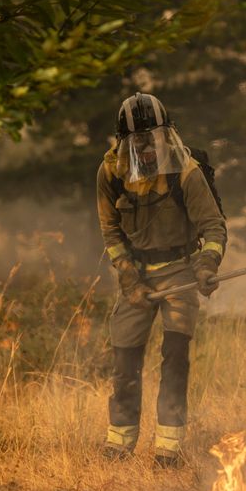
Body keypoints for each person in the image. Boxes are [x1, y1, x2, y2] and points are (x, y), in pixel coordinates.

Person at [95, 92, 227, 468]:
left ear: (165, 136)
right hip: (137, 277)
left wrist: (206, 266)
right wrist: (128, 277)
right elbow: (110, 233)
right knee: (125, 361)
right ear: (124, 143)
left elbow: (213, 227)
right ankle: (119, 446)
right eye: (138, 142)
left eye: (153, 140)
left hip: (180, 270)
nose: (148, 150)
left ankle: (168, 451)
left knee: (174, 359)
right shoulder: (110, 174)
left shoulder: (186, 171)